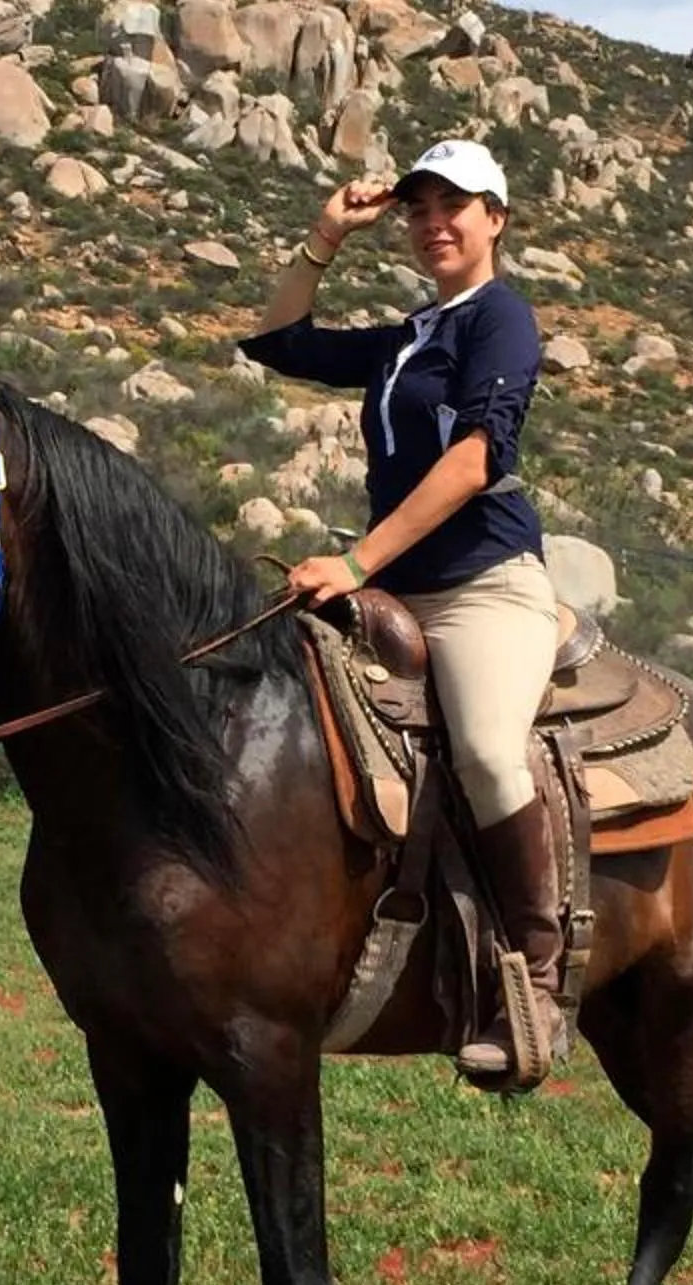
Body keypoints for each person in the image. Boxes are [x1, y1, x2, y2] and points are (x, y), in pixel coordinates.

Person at [243, 137, 569, 1087]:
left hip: (482, 586)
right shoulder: (409, 338)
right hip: (393, 587)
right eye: (419, 209)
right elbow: (277, 344)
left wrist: (353, 559)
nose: (433, 224)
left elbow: (474, 461)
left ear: (495, 218)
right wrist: (324, 239)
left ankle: (538, 978)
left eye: (453, 207)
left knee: (484, 753)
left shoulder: (501, 318)